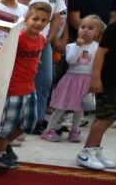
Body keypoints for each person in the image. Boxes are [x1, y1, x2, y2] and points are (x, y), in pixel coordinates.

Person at [0, 3, 51, 170]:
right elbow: (2, 57)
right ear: (26, 20)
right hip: (14, 87)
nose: (39, 23)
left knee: (30, 124)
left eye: (44, 20)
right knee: (7, 125)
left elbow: (34, 58)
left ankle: (1, 145)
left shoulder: (41, 40)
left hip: (30, 87)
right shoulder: (18, 38)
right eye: (35, 19)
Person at [44, 15, 104, 143]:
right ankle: (49, 130)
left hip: (86, 81)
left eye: (90, 28)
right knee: (61, 107)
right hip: (71, 80)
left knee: (79, 108)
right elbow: (70, 60)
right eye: (83, 27)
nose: (85, 30)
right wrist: (78, 46)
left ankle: (74, 130)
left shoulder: (98, 47)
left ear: (97, 33)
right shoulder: (71, 46)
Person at [78, 17, 116, 170]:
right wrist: (96, 78)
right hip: (109, 80)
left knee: (111, 117)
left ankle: (95, 149)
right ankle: (86, 152)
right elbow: (101, 52)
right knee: (105, 117)